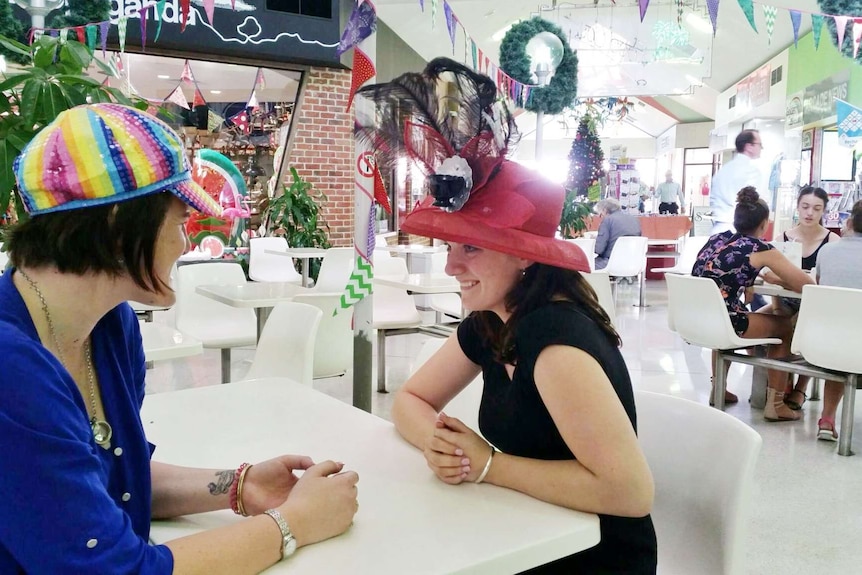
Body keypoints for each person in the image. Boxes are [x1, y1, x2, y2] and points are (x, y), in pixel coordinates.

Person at [0, 103, 359, 573]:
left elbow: (108, 484)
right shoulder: (13, 370)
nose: (186, 244)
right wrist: (291, 524)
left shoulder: (111, 326)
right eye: (178, 222)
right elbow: (114, 567)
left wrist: (239, 484)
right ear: (115, 222)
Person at [358, 58, 657, 574]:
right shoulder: (493, 320)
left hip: (590, 555)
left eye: (472, 247)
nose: (452, 264)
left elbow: (630, 492)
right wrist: (444, 447)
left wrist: (489, 465)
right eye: (452, 244)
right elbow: (411, 399)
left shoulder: (556, 342)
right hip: (524, 528)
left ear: (524, 254)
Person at [692, 187, 814, 420]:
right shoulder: (761, 249)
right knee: (783, 326)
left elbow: (719, 274)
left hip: (698, 318)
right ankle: (776, 405)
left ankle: (718, 388)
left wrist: (748, 280)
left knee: (727, 316)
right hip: (725, 321)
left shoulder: (717, 239)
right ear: (765, 224)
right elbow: (806, 284)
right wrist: (773, 278)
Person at [762, 186, 840, 411]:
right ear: (797, 207)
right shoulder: (783, 238)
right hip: (785, 303)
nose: (809, 213)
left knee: (809, 330)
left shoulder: (832, 241)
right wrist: (777, 309)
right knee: (767, 322)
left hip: (817, 308)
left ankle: (801, 388)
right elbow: (771, 280)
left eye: (816, 209)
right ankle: (776, 388)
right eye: (805, 207)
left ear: (824, 211)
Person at [813, 200, 862, 441]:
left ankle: (827, 418)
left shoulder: (826, 251)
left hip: (826, 344)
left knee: (844, 340)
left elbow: (821, 284)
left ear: (850, 222)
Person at [709, 129, 764, 234]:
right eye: (759, 144)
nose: (761, 148)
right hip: (740, 231)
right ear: (749, 146)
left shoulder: (723, 170)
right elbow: (753, 204)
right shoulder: (751, 171)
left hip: (718, 229)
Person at [594, 197, 642, 270]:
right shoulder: (634, 219)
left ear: (604, 210)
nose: (601, 217)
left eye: (600, 214)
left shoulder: (608, 220)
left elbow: (599, 249)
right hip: (633, 262)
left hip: (610, 262)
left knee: (584, 265)